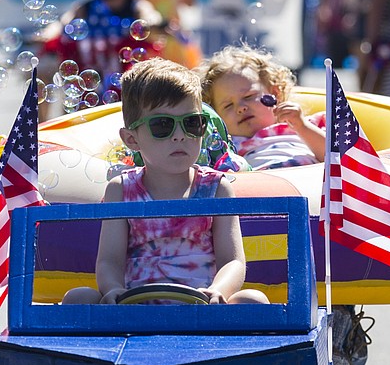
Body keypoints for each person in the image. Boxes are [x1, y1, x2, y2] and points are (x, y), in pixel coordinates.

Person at [62, 58, 268, 305]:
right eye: (162, 126)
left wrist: (219, 289)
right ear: (131, 139)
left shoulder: (215, 187)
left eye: (192, 123)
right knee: (79, 298)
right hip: (135, 307)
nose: (180, 136)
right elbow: (110, 260)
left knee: (252, 299)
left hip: (203, 308)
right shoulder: (121, 189)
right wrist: (113, 289)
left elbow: (232, 260)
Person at [37, 0, 163, 115]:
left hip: (128, 93)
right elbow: (62, 23)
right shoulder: (85, 7)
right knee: (42, 73)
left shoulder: (136, 7)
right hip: (87, 90)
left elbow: (150, 16)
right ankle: (40, 133)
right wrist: (50, 31)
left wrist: (152, 22)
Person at [196, 44, 325, 169]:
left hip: (310, 182)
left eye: (248, 96)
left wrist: (302, 126)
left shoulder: (307, 125)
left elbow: (336, 156)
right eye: (228, 105)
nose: (240, 108)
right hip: (260, 186)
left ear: (275, 93)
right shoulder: (223, 145)